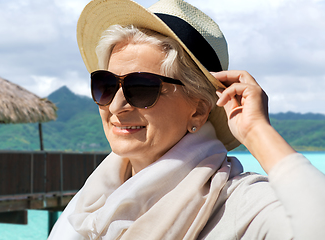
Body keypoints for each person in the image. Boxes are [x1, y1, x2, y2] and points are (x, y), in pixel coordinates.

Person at [48, 0, 325, 239]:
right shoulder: (91, 204)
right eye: (106, 85)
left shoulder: (238, 204)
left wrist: (256, 132)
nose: (116, 106)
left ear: (198, 110)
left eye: (142, 88)